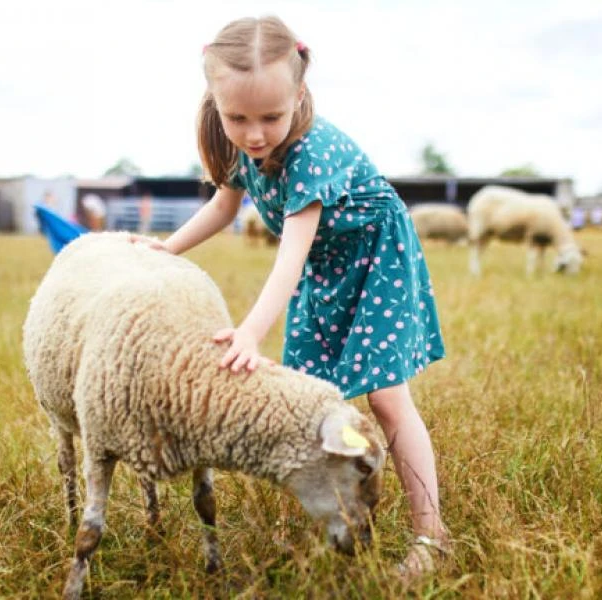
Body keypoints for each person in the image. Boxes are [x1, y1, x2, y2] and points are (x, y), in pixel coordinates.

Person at [131, 16, 450, 577]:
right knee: (308, 396)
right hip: (327, 267)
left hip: (375, 260)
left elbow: (290, 254)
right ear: (216, 101)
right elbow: (223, 208)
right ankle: (316, 518)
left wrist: (251, 331)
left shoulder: (312, 151)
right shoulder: (238, 144)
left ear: (299, 95)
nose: (255, 134)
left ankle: (432, 536)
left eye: (270, 117)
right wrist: (166, 249)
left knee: (386, 398)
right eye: (238, 118)